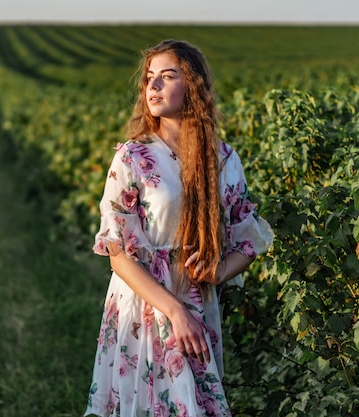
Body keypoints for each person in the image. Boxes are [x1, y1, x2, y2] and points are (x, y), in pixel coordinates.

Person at [84, 39, 273, 417]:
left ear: (193, 85)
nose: (152, 86)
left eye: (166, 77)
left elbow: (248, 239)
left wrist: (218, 271)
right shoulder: (132, 157)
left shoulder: (222, 157)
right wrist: (175, 311)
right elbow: (117, 253)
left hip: (197, 301)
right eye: (150, 78)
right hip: (145, 304)